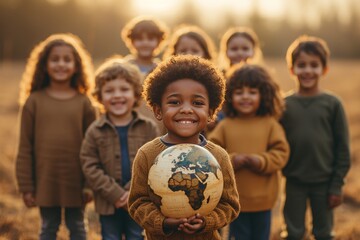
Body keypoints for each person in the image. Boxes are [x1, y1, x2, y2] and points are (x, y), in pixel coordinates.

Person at [128, 55, 240, 240]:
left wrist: (207, 222)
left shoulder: (218, 156)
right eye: (174, 102)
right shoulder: (147, 154)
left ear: (211, 112)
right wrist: (164, 222)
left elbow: (230, 205)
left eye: (197, 103)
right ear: (158, 110)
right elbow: (138, 203)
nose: (186, 109)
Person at [15, 33, 97, 240]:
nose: (61, 64)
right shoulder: (33, 102)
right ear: (44, 65)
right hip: (45, 180)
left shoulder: (84, 103)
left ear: (76, 66)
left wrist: (89, 184)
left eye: (67, 59)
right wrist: (26, 186)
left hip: (76, 180)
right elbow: (25, 147)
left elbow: (93, 147)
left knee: (77, 227)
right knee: (48, 228)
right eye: (55, 59)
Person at [80, 56, 159, 240]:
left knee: (136, 236)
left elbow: (156, 163)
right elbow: (89, 164)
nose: (117, 95)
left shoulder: (149, 128)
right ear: (99, 96)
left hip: (140, 202)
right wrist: (115, 193)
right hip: (109, 204)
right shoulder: (95, 130)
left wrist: (132, 191)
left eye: (124, 89)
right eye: (109, 91)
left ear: (136, 94)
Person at [280, 35, 351, 240]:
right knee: (293, 233)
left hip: (325, 182)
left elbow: (343, 148)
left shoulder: (332, 104)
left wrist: (337, 185)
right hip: (293, 180)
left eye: (314, 65)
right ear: (292, 69)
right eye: (301, 65)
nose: (308, 70)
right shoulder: (284, 105)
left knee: (323, 233)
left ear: (324, 69)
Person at [208, 63, 289, 240]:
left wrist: (261, 161)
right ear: (229, 96)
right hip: (234, 200)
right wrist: (231, 160)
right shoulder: (225, 125)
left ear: (263, 95)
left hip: (264, 200)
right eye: (239, 92)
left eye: (252, 92)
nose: (246, 97)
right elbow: (210, 153)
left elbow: (281, 152)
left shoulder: (270, 124)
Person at [121, 16, 169, 134]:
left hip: (157, 126)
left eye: (151, 38)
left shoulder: (163, 70)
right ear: (132, 41)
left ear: (159, 42)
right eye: (140, 39)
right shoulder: (124, 68)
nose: (145, 43)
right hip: (129, 127)